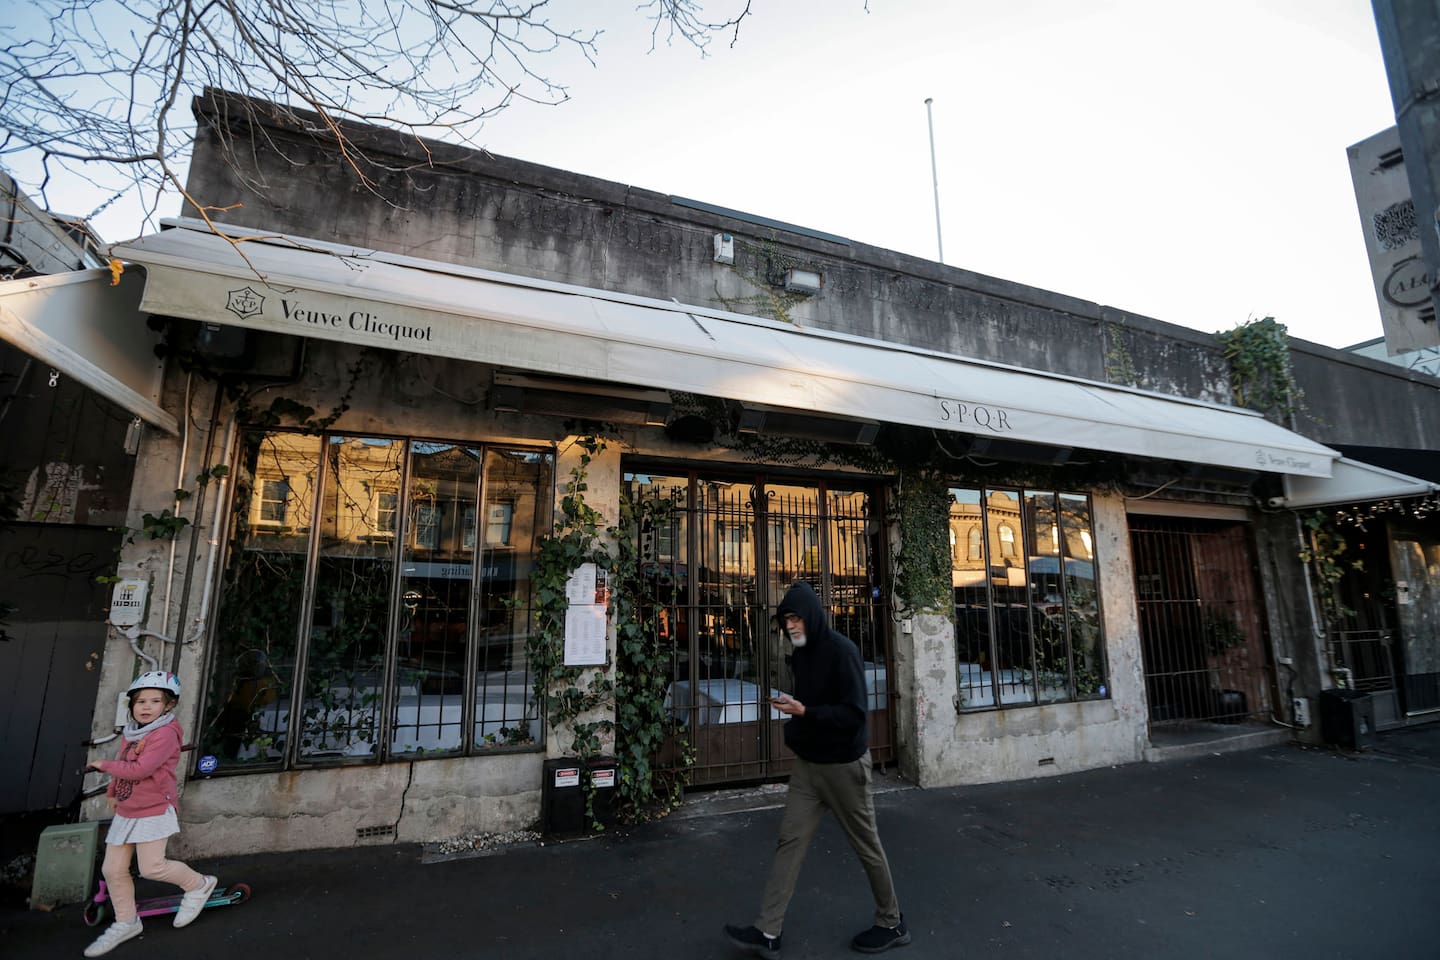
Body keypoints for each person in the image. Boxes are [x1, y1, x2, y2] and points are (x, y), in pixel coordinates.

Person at [724, 581, 910, 957]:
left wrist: (805, 711)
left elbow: (854, 715)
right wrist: (797, 706)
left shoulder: (843, 652)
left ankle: (891, 921)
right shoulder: (802, 654)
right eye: (786, 619)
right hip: (810, 766)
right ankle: (768, 931)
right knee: (789, 842)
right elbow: (812, 703)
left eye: (796, 618)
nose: (791, 626)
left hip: (844, 766)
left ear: (813, 616)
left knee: (866, 845)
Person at [82, 671, 219, 957]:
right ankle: (126, 921)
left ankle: (199, 885)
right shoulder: (133, 733)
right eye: (140, 700)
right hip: (128, 808)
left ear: (168, 705)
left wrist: (102, 765)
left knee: (152, 867)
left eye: (155, 701)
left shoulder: (166, 734)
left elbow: (141, 770)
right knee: (112, 869)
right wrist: (111, 793)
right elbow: (124, 763)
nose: (145, 706)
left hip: (154, 808)